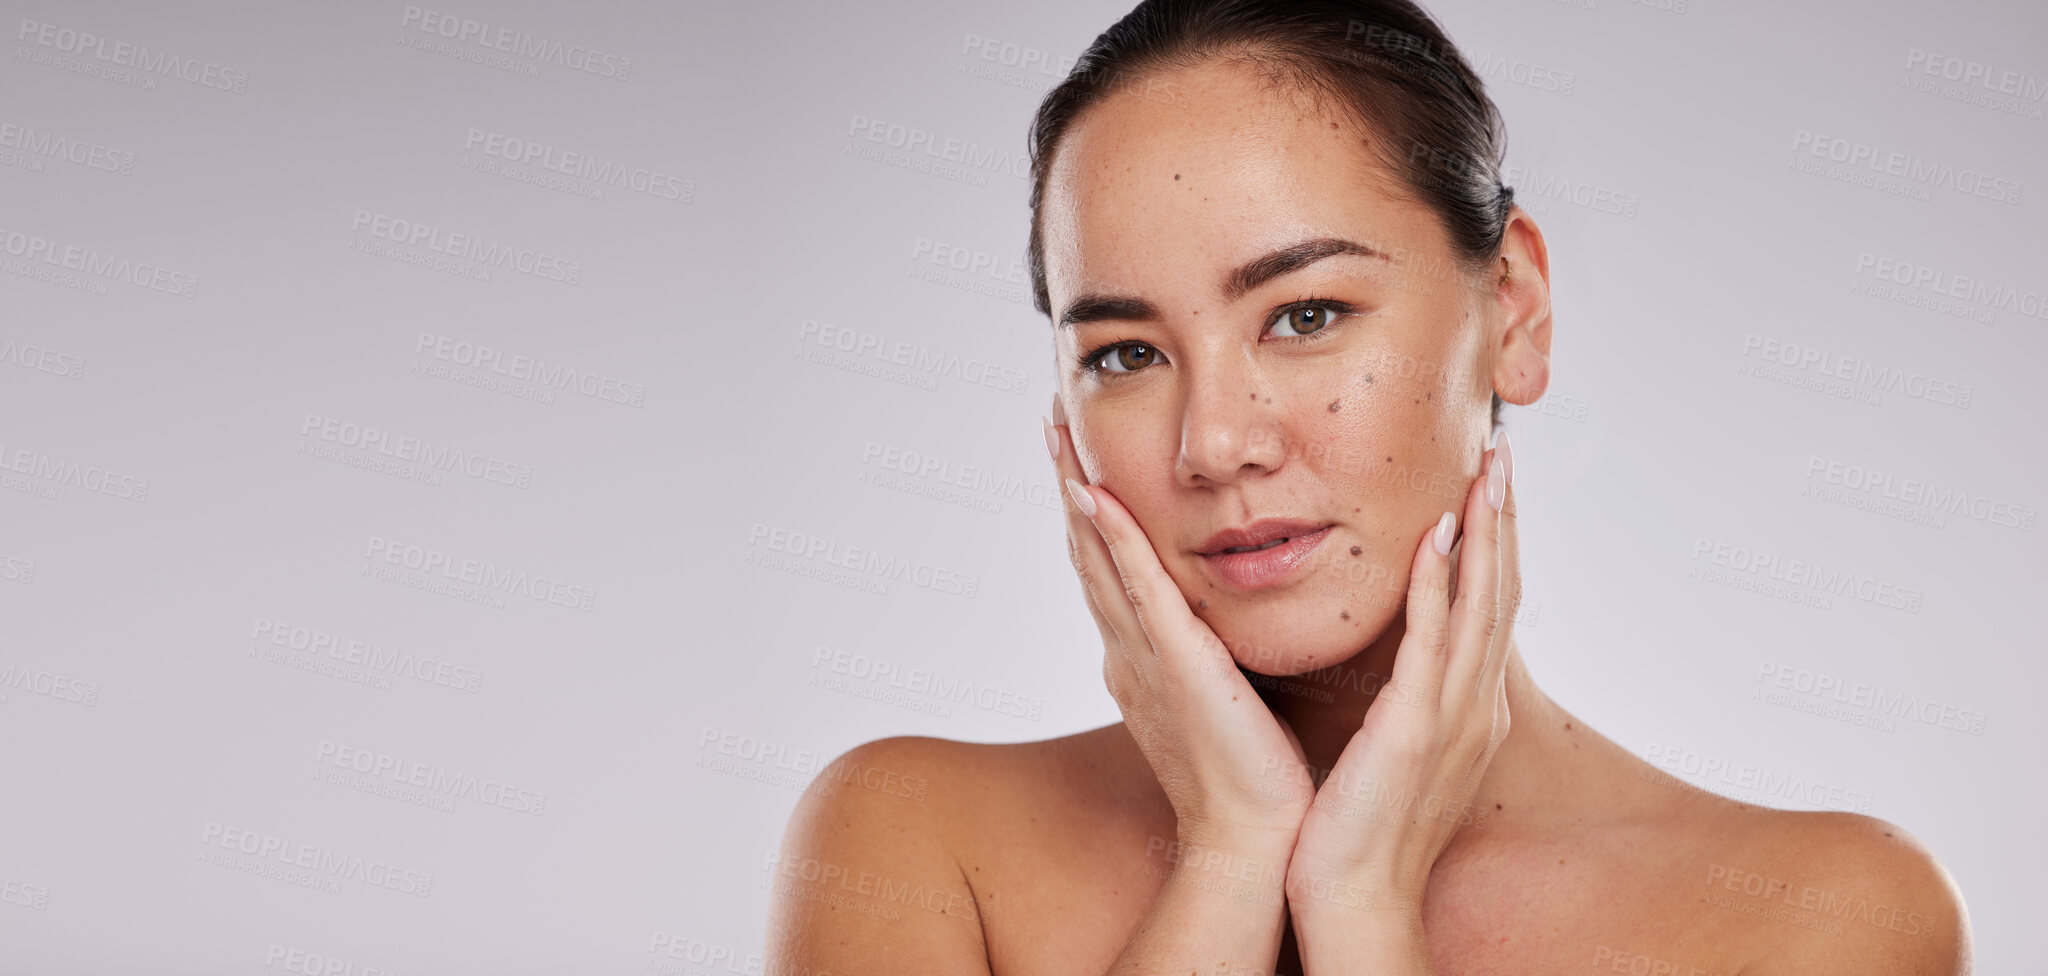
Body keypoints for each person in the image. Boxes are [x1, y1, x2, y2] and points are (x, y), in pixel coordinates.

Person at [765, 1, 1971, 972]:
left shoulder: (1821, 919)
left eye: (1304, 313)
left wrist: (1363, 908)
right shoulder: (912, 842)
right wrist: (1229, 856)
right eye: (1125, 352)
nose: (1216, 443)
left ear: (1513, 310)